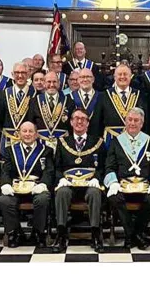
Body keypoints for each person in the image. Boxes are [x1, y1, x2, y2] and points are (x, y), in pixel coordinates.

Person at [104, 107, 150, 250]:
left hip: (144, 184)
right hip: (122, 184)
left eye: (136, 120)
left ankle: (132, 235)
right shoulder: (116, 142)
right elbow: (109, 167)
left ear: (142, 124)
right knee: (115, 198)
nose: (132, 123)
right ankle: (135, 235)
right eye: (129, 120)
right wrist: (113, 183)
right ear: (125, 121)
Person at [52, 108, 106, 253]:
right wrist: (61, 179)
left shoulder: (98, 142)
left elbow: (103, 167)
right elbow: (56, 167)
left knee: (95, 192)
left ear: (88, 123)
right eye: (76, 118)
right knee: (61, 192)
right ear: (70, 122)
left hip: (89, 185)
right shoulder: (63, 142)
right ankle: (61, 234)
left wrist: (97, 178)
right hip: (69, 185)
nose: (79, 121)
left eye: (83, 118)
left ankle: (95, 234)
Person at [0, 121, 55, 248]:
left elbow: (49, 171)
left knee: (43, 199)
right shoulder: (10, 150)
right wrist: (6, 184)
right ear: (19, 134)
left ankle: (38, 233)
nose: (27, 134)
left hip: (36, 187)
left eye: (31, 131)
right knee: (4, 200)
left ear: (36, 134)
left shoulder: (46, 151)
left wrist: (43, 185)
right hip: (16, 188)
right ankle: (14, 233)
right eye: (24, 131)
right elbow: (5, 171)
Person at [94, 64, 149, 148]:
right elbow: (97, 122)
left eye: (125, 74)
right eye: (120, 74)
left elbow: (145, 121)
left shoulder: (140, 95)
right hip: (110, 140)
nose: (122, 77)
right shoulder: (104, 95)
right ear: (114, 77)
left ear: (131, 76)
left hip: (135, 140)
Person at [0, 62, 37, 154]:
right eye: (17, 73)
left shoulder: (35, 94)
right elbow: (0, 117)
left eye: (23, 73)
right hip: (8, 138)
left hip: (28, 139)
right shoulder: (4, 93)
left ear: (28, 74)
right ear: (12, 74)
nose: (20, 76)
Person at [30, 71, 74, 149]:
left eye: (54, 82)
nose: (52, 85)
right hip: (40, 145)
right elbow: (31, 123)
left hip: (62, 145)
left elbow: (71, 126)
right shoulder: (34, 101)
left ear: (59, 83)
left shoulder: (69, 101)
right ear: (44, 83)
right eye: (49, 82)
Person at [70, 68, 101, 136]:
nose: (85, 79)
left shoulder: (101, 97)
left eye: (88, 77)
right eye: (82, 77)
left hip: (97, 138)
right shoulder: (70, 98)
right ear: (78, 80)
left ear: (93, 79)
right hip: (75, 139)